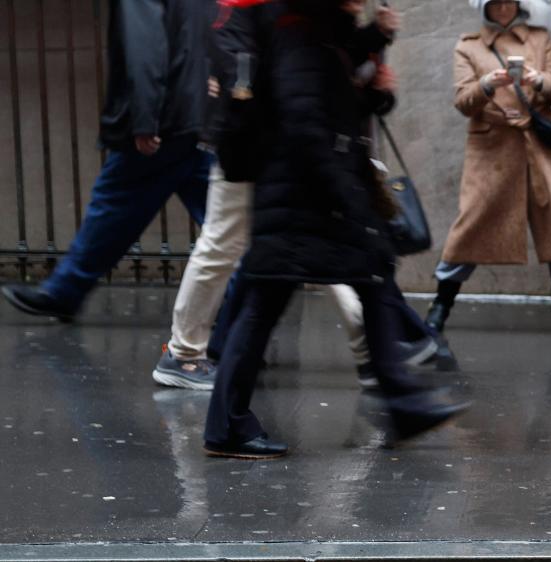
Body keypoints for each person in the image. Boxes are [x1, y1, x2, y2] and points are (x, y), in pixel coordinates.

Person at [204, 0, 466, 459]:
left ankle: (402, 402)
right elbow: (305, 121)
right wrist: (349, 197)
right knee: (266, 304)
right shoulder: (297, 30)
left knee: (372, 279)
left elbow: (334, 99)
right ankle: (227, 426)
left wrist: (375, 84)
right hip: (302, 196)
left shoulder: (320, 30)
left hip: (310, 194)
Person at [151, 0, 437, 391]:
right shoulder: (252, 14)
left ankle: (373, 351)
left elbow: (326, 58)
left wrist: (375, 36)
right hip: (255, 151)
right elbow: (262, 74)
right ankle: (184, 353)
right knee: (226, 246)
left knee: (322, 247)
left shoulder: (281, 16)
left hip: (279, 154)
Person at [2, 0, 211, 321]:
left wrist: (144, 118)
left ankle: (64, 290)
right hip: (189, 115)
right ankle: (248, 305)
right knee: (221, 218)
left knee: (113, 202)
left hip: (165, 118)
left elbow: (145, 48)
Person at [426, 0, 551, 337]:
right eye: (496, 3)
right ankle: (441, 304)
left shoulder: (539, 39)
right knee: (471, 227)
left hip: (540, 147)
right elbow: (462, 102)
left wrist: (539, 80)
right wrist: (487, 83)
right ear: (484, 8)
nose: (503, 9)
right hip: (492, 148)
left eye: (509, 3)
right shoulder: (469, 45)